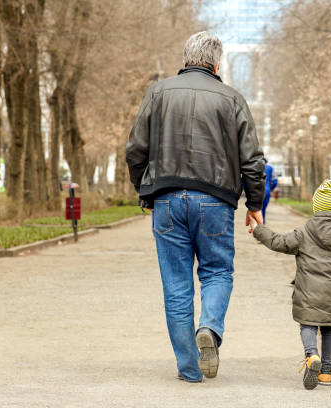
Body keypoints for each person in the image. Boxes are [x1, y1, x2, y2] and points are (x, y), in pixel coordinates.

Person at [125, 31, 265, 383]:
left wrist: (146, 190)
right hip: (215, 201)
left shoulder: (157, 93)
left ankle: (189, 369)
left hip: (167, 200)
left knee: (176, 285)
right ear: (217, 63)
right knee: (218, 271)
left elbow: (135, 150)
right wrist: (255, 203)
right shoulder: (232, 99)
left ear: (186, 58)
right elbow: (252, 160)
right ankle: (210, 328)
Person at [248, 180, 331, 390]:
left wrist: (258, 230)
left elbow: (279, 242)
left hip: (308, 293)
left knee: (308, 325)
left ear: (316, 207)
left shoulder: (305, 232)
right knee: (329, 330)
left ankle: (311, 355)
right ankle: (326, 373)